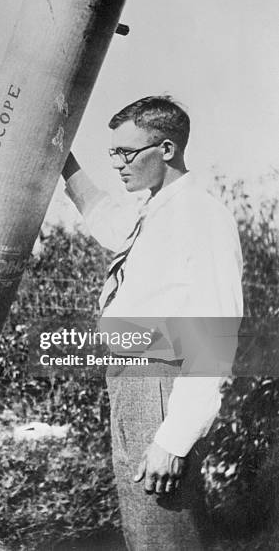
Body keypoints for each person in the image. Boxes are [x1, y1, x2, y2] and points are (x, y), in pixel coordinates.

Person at [61, 96, 243, 550]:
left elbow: (214, 341)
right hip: (131, 381)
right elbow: (109, 224)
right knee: (143, 528)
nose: (118, 164)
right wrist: (65, 165)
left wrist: (175, 439)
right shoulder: (158, 208)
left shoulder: (203, 218)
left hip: (160, 386)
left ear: (165, 149)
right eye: (113, 153)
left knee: (164, 533)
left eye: (127, 153)